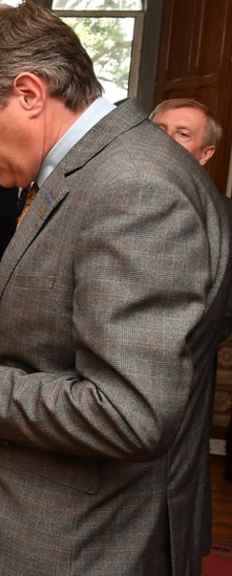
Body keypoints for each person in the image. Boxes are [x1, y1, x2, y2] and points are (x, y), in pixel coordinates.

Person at [0, 3, 231, 575]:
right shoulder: (91, 170)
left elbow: (130, 412)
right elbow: (81, 336)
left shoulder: (134, 187)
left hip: (84, 540)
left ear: (30, 93)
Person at [151, 98, 232, 483]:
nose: (166, 141)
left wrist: (175, 347)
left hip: (186, 373)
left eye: (182, 134)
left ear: (206, 153)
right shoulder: (115, 198)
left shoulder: (224, 217)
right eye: (159, 131)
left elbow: (225, 308)